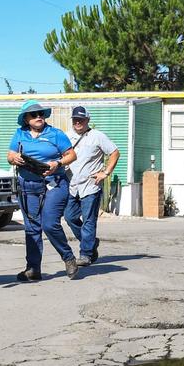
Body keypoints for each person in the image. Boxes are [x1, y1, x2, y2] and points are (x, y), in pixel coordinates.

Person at [8, 100, 78, 280]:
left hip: (54, 183)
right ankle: (33, 268)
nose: (39, 117)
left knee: (49, 223)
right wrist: (15, 158)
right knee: (32, 228)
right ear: (26, 119)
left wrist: (58, 163)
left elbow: (71, 155)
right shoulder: (19, 133)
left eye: (41, 114)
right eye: (34, 115)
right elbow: (10, 155)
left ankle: (68, 257)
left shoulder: (55, 134)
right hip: (28, 186)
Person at [64, 106, 119, 266]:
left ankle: (86, 254)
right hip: (72, 186)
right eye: (75, 119)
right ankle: (91, 242)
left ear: (88, 120)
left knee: (89, 220)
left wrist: (106, 172)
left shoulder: (97, 136)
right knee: (70, 217)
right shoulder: (67, 137)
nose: (78, 122)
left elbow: (115, 152)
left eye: (81, 119)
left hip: (90, 185)